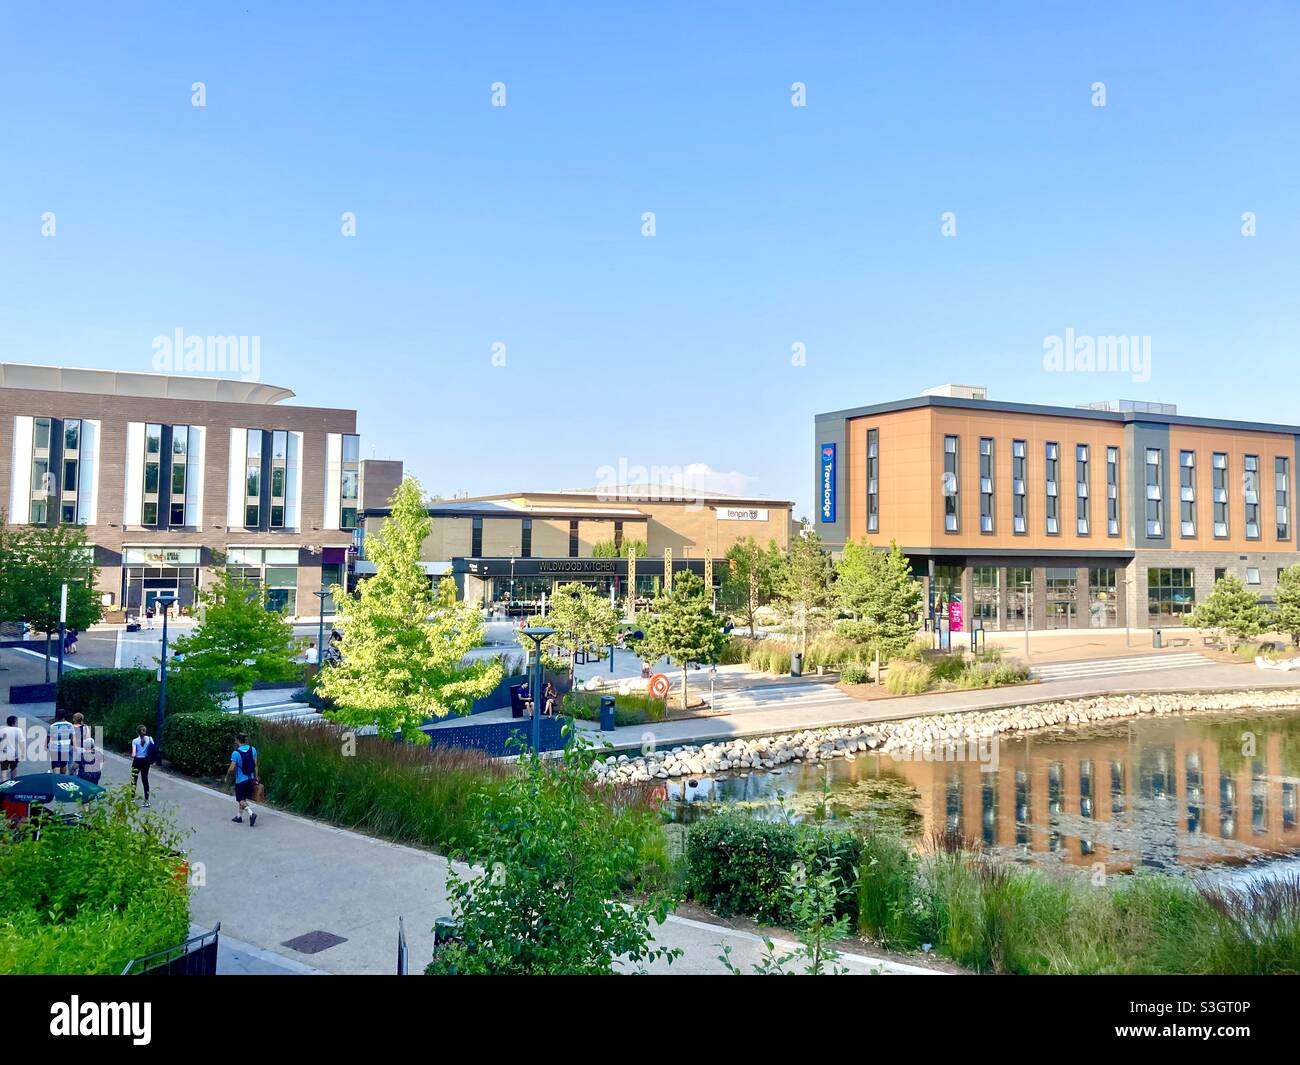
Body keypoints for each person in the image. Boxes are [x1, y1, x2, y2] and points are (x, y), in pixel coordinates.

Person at [225, 732, 259, 827]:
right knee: (243, 798)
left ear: (237, 740)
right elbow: (255, 765)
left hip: (241, 780)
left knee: (240, 799)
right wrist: (256, 777)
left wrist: (227, 776)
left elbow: (232, 768)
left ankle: (251, 814)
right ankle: (239, 816)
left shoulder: (236, 753)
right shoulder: (253, 749)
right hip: (250, 778)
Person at [130, 725, 156, 806]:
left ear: (137, 732)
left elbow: (133, 754)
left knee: (134, 780)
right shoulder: (150, 739)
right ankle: (146, 800)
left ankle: (132, 798)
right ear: (145, 731)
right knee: (145, 780)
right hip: (146, 761)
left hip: (137, 761)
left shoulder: (135, 741)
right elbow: (153, 749)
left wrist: (134, 754)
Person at [70, 712, 97, 781]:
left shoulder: (72, 727)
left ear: (75, 720)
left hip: (76, 747)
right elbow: (88, 737)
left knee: (75, 764)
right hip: (84, 747)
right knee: (82, 763)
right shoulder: (86, 727)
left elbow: (72, 738)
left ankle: (74, 778)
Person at [0, 715, 24, 782]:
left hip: (3, 753)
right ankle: (13, 781)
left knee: (4, 769)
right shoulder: (18, 730)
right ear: (14, 723)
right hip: (13, 754)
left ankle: (3, 784)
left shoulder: (1, 730)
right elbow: (21, 743)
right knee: (13, 768)